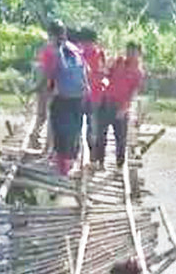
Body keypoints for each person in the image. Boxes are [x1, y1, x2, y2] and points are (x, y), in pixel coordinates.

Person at [92, 41, 144, 170]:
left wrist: (124, 108)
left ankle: (120, 166)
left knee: (120, 139)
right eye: (128, 51)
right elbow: (107, 75)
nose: (130, 54)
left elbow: (133, 93)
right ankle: (100, 162)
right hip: (107, 101)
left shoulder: (138, 72)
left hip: (121, 106)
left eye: (133, 52)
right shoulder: (119, 61)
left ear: (139, 54)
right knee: (101, 134)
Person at [44, 22, 88, 175]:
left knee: (59, 128)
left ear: (52, 34)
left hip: (62, 97)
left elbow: (49, 76)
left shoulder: (54, 51)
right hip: (79, 96)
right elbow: (84, 70)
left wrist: (45, 92)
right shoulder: (75, 49)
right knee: (74, 129)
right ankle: (71, 161)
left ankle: (60, 164)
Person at [28, 20, 63, 152]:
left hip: (45, 86)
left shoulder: (47, 49)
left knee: (42, 115)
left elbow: (42, 69)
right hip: (49, 87)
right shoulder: (55, 50)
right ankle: (46, 146)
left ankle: (35, 137)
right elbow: (47, 71)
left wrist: (37, 87)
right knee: (50, 117)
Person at [75, 27, 106, 153]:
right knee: (79, 124)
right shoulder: (79, 55)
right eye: (84, 42)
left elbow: (102, 73)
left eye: (88, 42)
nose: (85, 45)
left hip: (94, 95)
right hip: (82, 95)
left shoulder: (99, 54)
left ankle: (91, 151)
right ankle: (79, 149)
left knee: (92, 125)